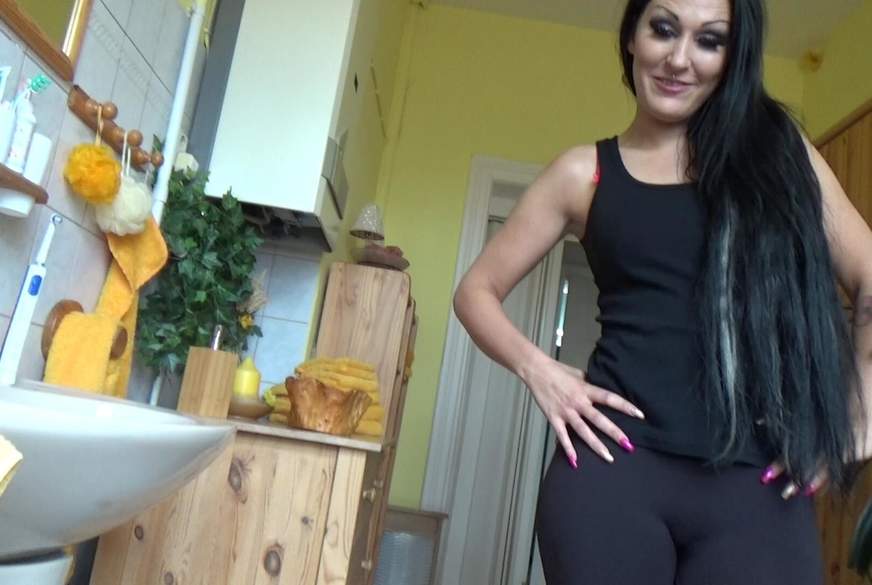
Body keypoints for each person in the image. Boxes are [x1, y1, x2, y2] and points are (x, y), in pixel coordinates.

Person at [451, 0, 872, 582]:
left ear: (732, 58)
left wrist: (860, 413)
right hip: (614, 470)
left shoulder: (782, 157)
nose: (679, 59)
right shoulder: (583, 173)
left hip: (758, 482)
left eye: (709, 40)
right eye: (664, 29)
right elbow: (475, 291)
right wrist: (541, 372)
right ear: (632, 36)